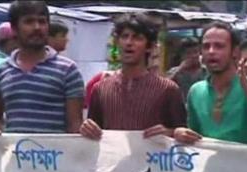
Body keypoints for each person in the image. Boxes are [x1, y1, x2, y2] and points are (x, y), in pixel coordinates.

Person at [80, 12, 186, 140]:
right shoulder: (100, 89)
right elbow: (93, 136)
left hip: (151, 159)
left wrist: (170, 133)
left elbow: (182, 136)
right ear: (117, 42)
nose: (129, 42)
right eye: (124, 36)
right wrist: (87, 129)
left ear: (150, 47)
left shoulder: (168, 90)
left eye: (137, 38)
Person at [173, 21, 247, 145]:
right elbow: (193, 136)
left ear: (235, 51)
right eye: (206, 46)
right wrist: (179, 133)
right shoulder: (196, 91)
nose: (211, 51)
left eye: (219, 46)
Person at [0, 1, 84, 133]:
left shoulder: (68, 70)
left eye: (42, 21)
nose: (37, 27)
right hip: (14, 153)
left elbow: (75, 125)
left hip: (58, 153)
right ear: (14, 29)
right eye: (29, 22)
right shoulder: (1, 72)